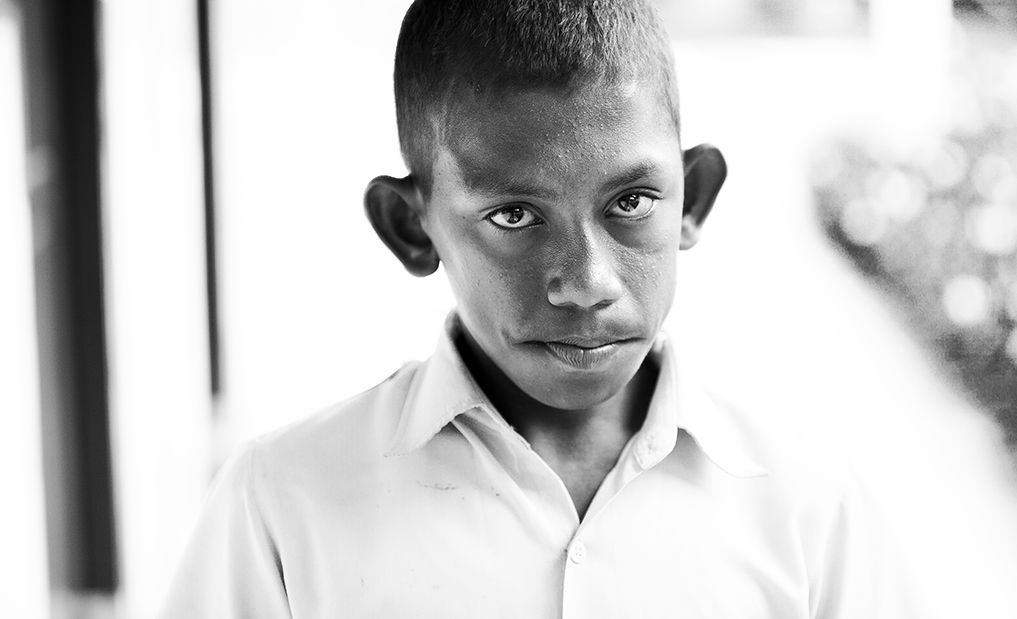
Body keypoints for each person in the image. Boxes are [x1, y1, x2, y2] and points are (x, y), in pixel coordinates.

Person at [159, 1, 885, 617]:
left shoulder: (808, 512)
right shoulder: (283, 508)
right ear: (412, 227)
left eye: (630, 203)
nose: (587, 282)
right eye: (514, 215)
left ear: (690, 198)